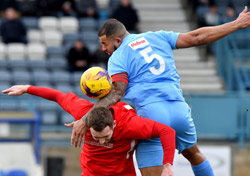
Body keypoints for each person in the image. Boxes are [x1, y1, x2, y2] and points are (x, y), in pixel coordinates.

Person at [69, 6, 250, 176]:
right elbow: (197, 38)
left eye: (104, 43)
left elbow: (117, 93)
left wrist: (86, 119)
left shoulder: (118, 57)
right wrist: (236, 23)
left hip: (152, 114)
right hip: (179, 109)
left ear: (117, 40)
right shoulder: (159, 36)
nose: (103, 48)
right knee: (195, 154)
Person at [2, 85, 176, 176]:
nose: (101, 142)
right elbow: (58, 96)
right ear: (87, 125)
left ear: (114, 125)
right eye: (96, 136)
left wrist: (168, 165)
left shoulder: (129, 124)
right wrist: (27, 88)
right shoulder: (81, 113)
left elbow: (168, 131)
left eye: (106, 137)